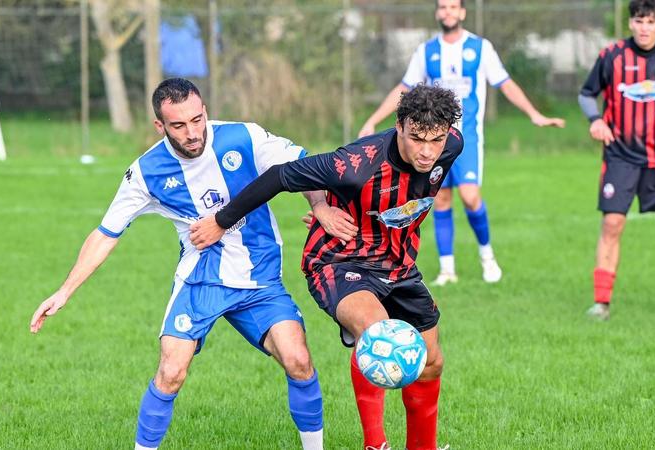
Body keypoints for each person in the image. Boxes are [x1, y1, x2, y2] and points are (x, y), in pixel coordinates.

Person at [29, 78, 336, 449]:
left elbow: (303, 166)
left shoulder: (243, 137)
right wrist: (64, 291)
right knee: (171, 372)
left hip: (260, 281)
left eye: (197, 119)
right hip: (200, 282)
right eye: (178, 125)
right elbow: (106, 233)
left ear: (205, 110)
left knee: (298, 359)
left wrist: (319, 207)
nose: (192, 133)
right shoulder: (146, 172)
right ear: (160, 126)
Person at [191, 84, 463, 450]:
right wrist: (222, 221)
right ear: (398, 125)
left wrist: (353, 210)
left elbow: (401, 202)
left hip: (398, 264)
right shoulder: (355, 163)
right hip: (339, 261)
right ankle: (375, 444)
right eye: (417, 139)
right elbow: (280, 176)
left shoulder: (452, 146)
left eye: (437, 140)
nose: (428, 151)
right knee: (379, 335)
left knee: (430, 363)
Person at [358, 0, 565, 286]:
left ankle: (487, 257)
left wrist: (533, 114)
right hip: (433, 142)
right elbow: (404, 89)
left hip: (467, 140)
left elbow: (504, 83)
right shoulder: (426, 51)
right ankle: (447, 270)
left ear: (462, 12)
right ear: (437, 12)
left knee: (470, 197)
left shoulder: (481, 48)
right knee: (440, 199)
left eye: (453, 6)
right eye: (443, 7)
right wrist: (373, 119)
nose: (447, 12)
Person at [579, 0, 655, 321]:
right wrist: (595, 120)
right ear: (630, 24)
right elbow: (586, 93)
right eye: (639, 21)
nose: (644, 28)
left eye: (651, 21)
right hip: (621, 156)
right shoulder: (611, 57)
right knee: (612, 223)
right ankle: (602, 303)